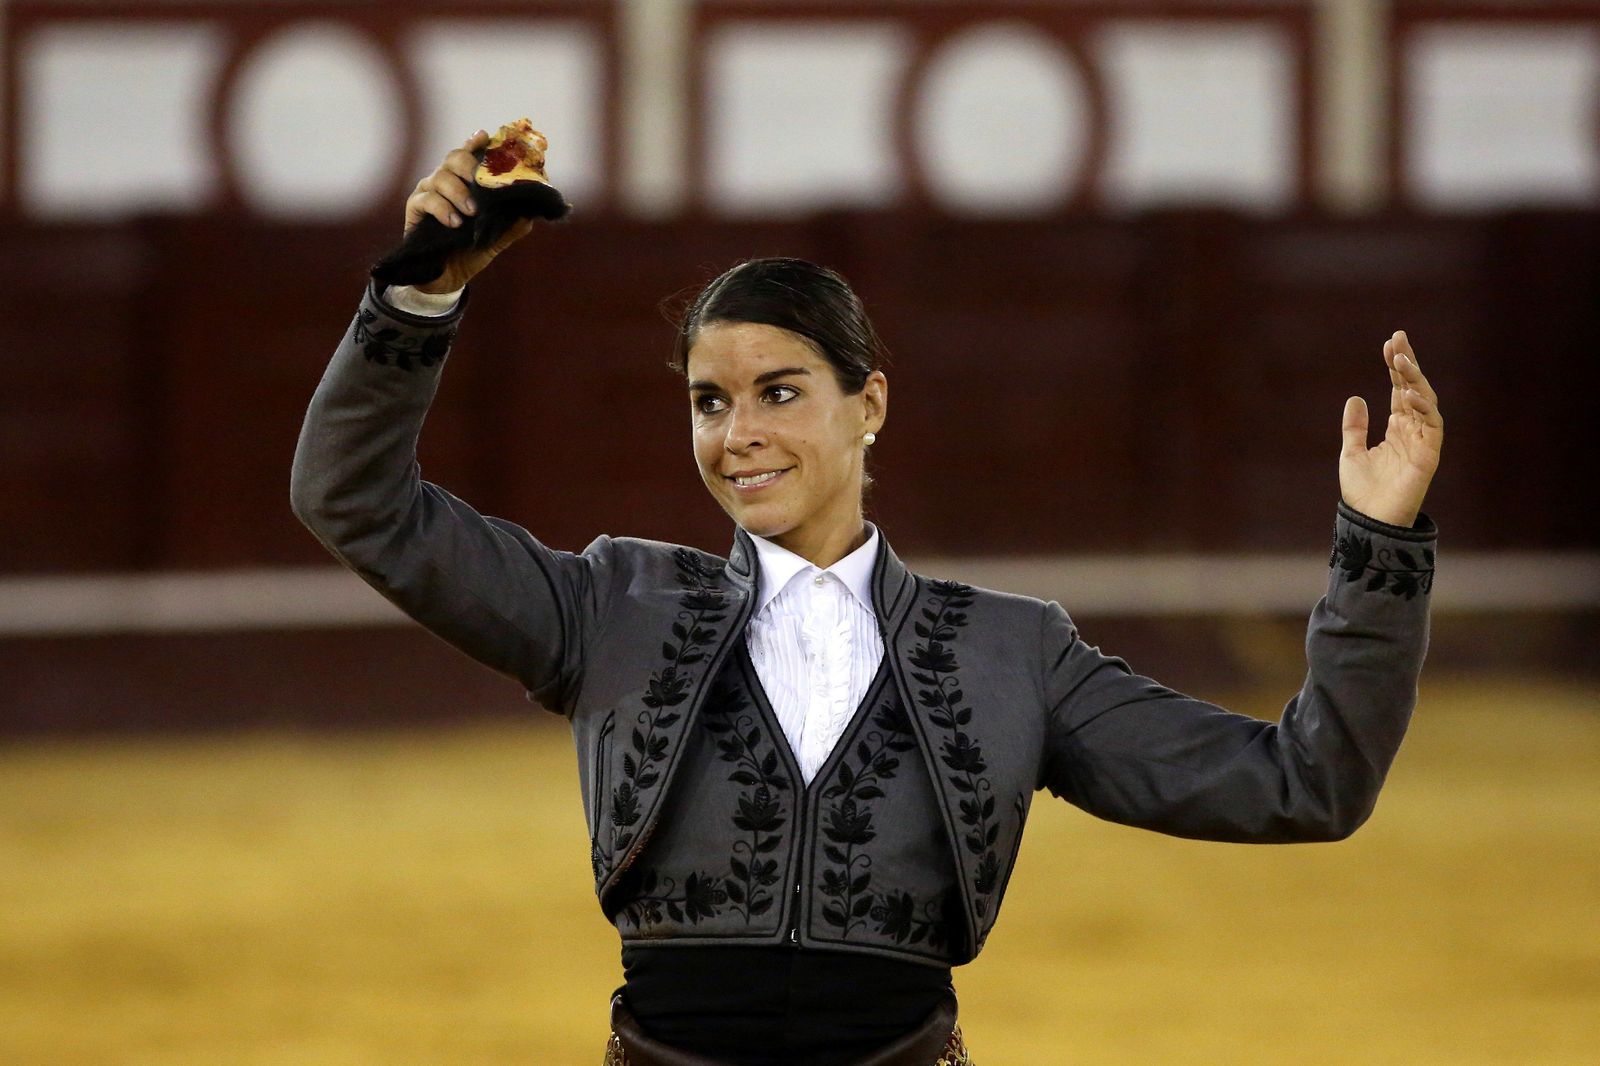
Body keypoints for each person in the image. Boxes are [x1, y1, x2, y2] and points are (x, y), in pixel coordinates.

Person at [291, 131, 1444, 1065]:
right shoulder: (612, 605)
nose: (737, 434)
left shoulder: (1011, 648)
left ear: (869, 403)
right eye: (707, 402)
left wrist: (1376, 543)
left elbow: (1306, 783)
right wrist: (417, 299)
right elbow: (358, 504)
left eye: (778, 392)